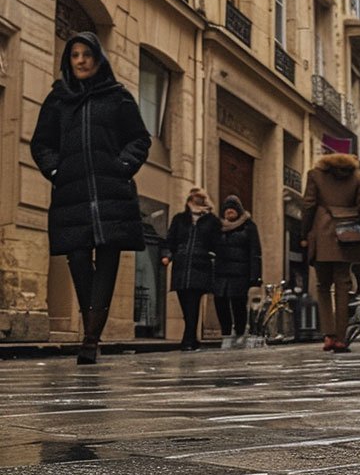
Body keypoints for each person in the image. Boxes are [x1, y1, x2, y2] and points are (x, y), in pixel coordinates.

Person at [30, 32, 151, 365]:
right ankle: (91, 331)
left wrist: (123, 165)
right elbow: (41, 144)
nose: (80, 60)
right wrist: (56, 171)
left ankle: (90, 339)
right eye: (75, 55)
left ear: (98, 58)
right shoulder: (58, 100)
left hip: (112, 192)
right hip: (73, 194)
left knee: (108, 261)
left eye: (86, 54)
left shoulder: (118, 97)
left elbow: (139, 138)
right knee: (79, 260)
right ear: (68, 61)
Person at [301, 152, 360, 353]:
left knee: (323, 286)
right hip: (347, 235)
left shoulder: (315, 174)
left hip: (322, 232)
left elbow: (308, 205)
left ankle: (328, 335)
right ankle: (341, 338)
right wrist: (357, 222)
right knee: (343, 285)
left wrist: (305, 233)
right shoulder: (358, 177)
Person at [162, 188, 220, 351]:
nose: (196, 201)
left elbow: (217, 243)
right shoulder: (180, 219)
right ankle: (192, 339)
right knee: (185, 305)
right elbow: (170, 240)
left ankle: (187, 341)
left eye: (200, 198)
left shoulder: (212, 221)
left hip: (200, 266)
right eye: (194, 198)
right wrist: (167, 255)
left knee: (192, 304)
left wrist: (212, 255)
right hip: (181, 266)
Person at [212, 195, 262, 347]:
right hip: (220, 273)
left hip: (240, 274)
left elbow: (255, 252)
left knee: (238, 304)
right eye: (227, 209)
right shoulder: (217, 227)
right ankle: (226, 335)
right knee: (220, 303)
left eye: (232, 209)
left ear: (238, 211)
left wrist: (255, 277)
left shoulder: (249, 226)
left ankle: (240, 333)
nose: (229, 212)